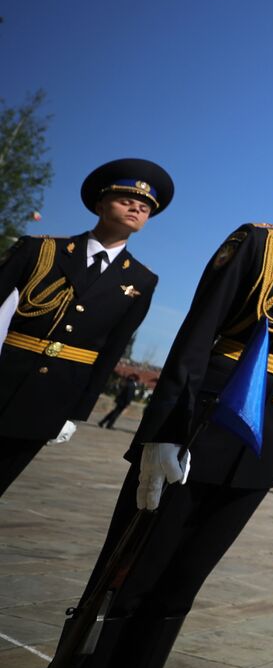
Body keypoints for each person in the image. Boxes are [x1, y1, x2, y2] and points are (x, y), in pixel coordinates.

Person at [40, 141, 273, 668]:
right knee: (132, 574)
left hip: (258, 448)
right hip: (200, 427)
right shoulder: (260, 243)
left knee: (181, 587)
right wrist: (163, 432)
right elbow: (198, 333)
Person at [0, 159, 172, 496]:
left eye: (144, 208)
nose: (136, 209)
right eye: (126, 201)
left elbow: (111, 351)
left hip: (52, 397)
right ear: (100, 204)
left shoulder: (140, 280)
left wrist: (77, 412)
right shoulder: (39, 249)